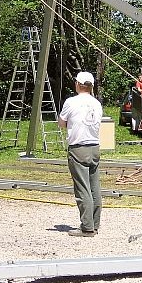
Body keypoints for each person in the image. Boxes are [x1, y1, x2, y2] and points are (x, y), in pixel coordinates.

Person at [58, 71, 104, 237]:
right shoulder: (97, 103)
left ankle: (86, 227)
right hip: (94, 147)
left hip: (78, 147)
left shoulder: (71, 102)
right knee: (94, 188)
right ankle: (95, 224)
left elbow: (61, 123)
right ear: (91, 86)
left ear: (77, 84)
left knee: (82, 188)